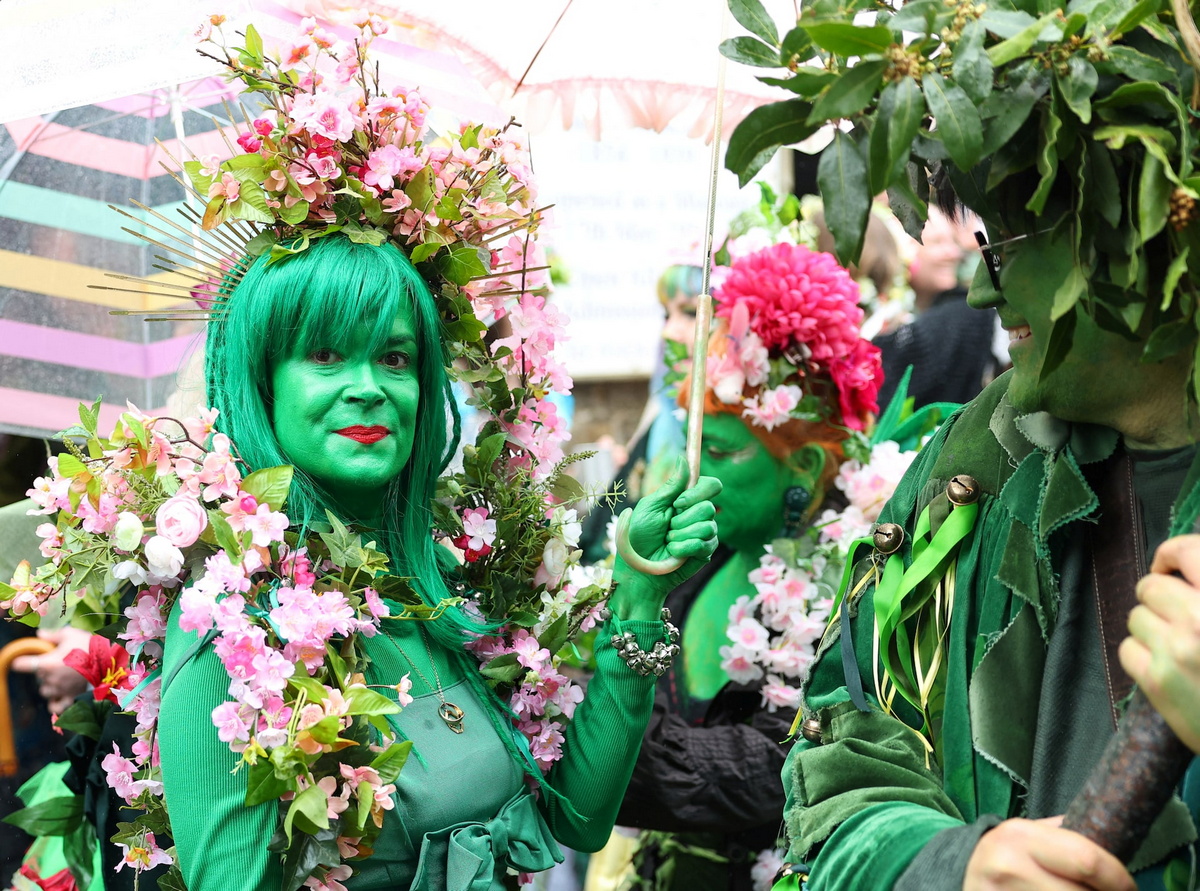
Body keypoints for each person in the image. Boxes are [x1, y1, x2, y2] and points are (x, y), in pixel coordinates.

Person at [712, 1, 1200, 888]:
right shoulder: (975, 460)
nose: (979, 290)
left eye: (1006, 240)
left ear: (1139, 225)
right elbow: (839, 753)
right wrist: (946, 863)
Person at [156, 235, 721, 891]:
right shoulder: (234, 629)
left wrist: (639, 593)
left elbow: (580, 817)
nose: (368, 387)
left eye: (394, 357)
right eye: (325, 354)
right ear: (262, 381)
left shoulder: (448, 590)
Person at [613, 241, 884, 891]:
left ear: (807, 468)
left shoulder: (858, 597)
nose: (687, 475)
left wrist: (583, 717)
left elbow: (750, 772)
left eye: (723, 453)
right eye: (689, 442)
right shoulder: (700, 564)